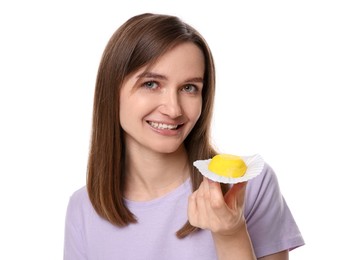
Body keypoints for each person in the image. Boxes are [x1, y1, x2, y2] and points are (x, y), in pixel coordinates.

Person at [64, 13, 304, 260]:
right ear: (112, 89)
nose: (174, 109)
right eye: (151, 84)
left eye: (189, 88)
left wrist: (231, 234)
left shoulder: (248, 186)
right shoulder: (83, 208)